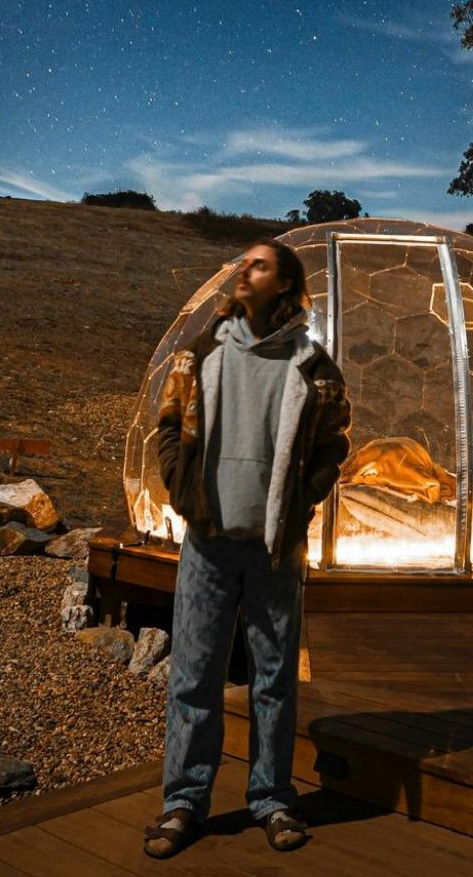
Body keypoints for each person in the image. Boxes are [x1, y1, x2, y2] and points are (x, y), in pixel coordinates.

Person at [144, 239, 351, 859]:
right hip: (207, 542)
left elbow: (334, 443)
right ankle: (183, 803)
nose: (243, 270)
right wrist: (183, 493)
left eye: (259, 265)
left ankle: (272, 798)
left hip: (273, 550)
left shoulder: (313, 367)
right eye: (244, 262)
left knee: (274, 679)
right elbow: (169, 424)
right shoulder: (200, 353)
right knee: (193, 678)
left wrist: (302, 502)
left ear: (285, 286)